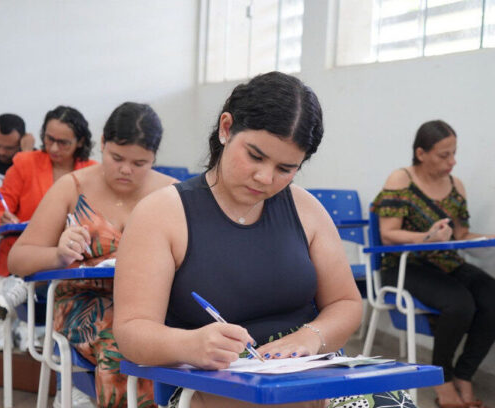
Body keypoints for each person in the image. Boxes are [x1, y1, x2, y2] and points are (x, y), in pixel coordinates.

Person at [113, 72, 414, 408]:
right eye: (255, 156)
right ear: (226, 128)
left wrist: (309, 338)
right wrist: (191, 345)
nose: (265, 177)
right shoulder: (162, 213)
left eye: (286, 168)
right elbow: (131, 330)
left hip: (307, 374)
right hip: (214, 381)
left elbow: (345, 303)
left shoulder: (305, 209)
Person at [8, 102, 177, 408]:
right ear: (101, 144)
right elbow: (18, 259)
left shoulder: (172, 194)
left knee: (188, 341)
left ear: (154, 157)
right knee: (125, 343)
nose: (125, 170)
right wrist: (59, 255)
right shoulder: (73, 188)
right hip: (86, 302)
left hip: (154, 302)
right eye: (116, 158)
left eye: (139, 163)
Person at [370, 120, 495, 408]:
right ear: (421, 153)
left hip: (446, 263)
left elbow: (461, 234)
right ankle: (441, 377)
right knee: (460, 303)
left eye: (454, 153)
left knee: (492, 296)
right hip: (405, 265)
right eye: (444, 155)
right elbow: (388, 235)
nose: (452, 162)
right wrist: (427, 236)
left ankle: (464, 374)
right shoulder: (401, 179)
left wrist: (489, 237)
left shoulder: (456, 185)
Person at [0, 105, 97, 282]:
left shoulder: (94, 172)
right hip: (26, 266)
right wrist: (2, 218)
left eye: (63, 143)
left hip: (78, 264)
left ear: (80, 142)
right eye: (49, 139)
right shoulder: (25, 163)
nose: (54, 148)